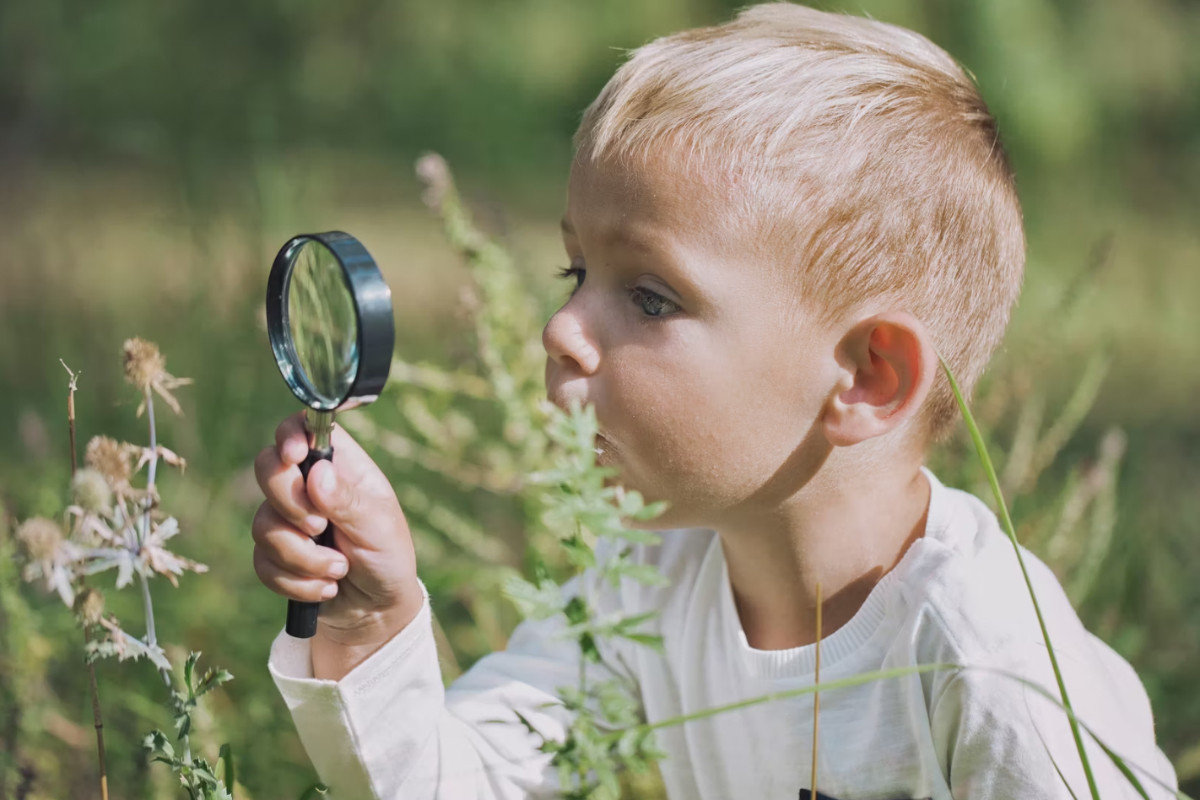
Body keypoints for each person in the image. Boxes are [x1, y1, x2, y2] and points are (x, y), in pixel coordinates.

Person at [252, 4, 1177, 798]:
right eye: (575, 272)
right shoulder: (646, 588)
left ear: (865, 378)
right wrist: (369, 619)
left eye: (650, 297)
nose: (560, 330)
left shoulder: (987, 654)